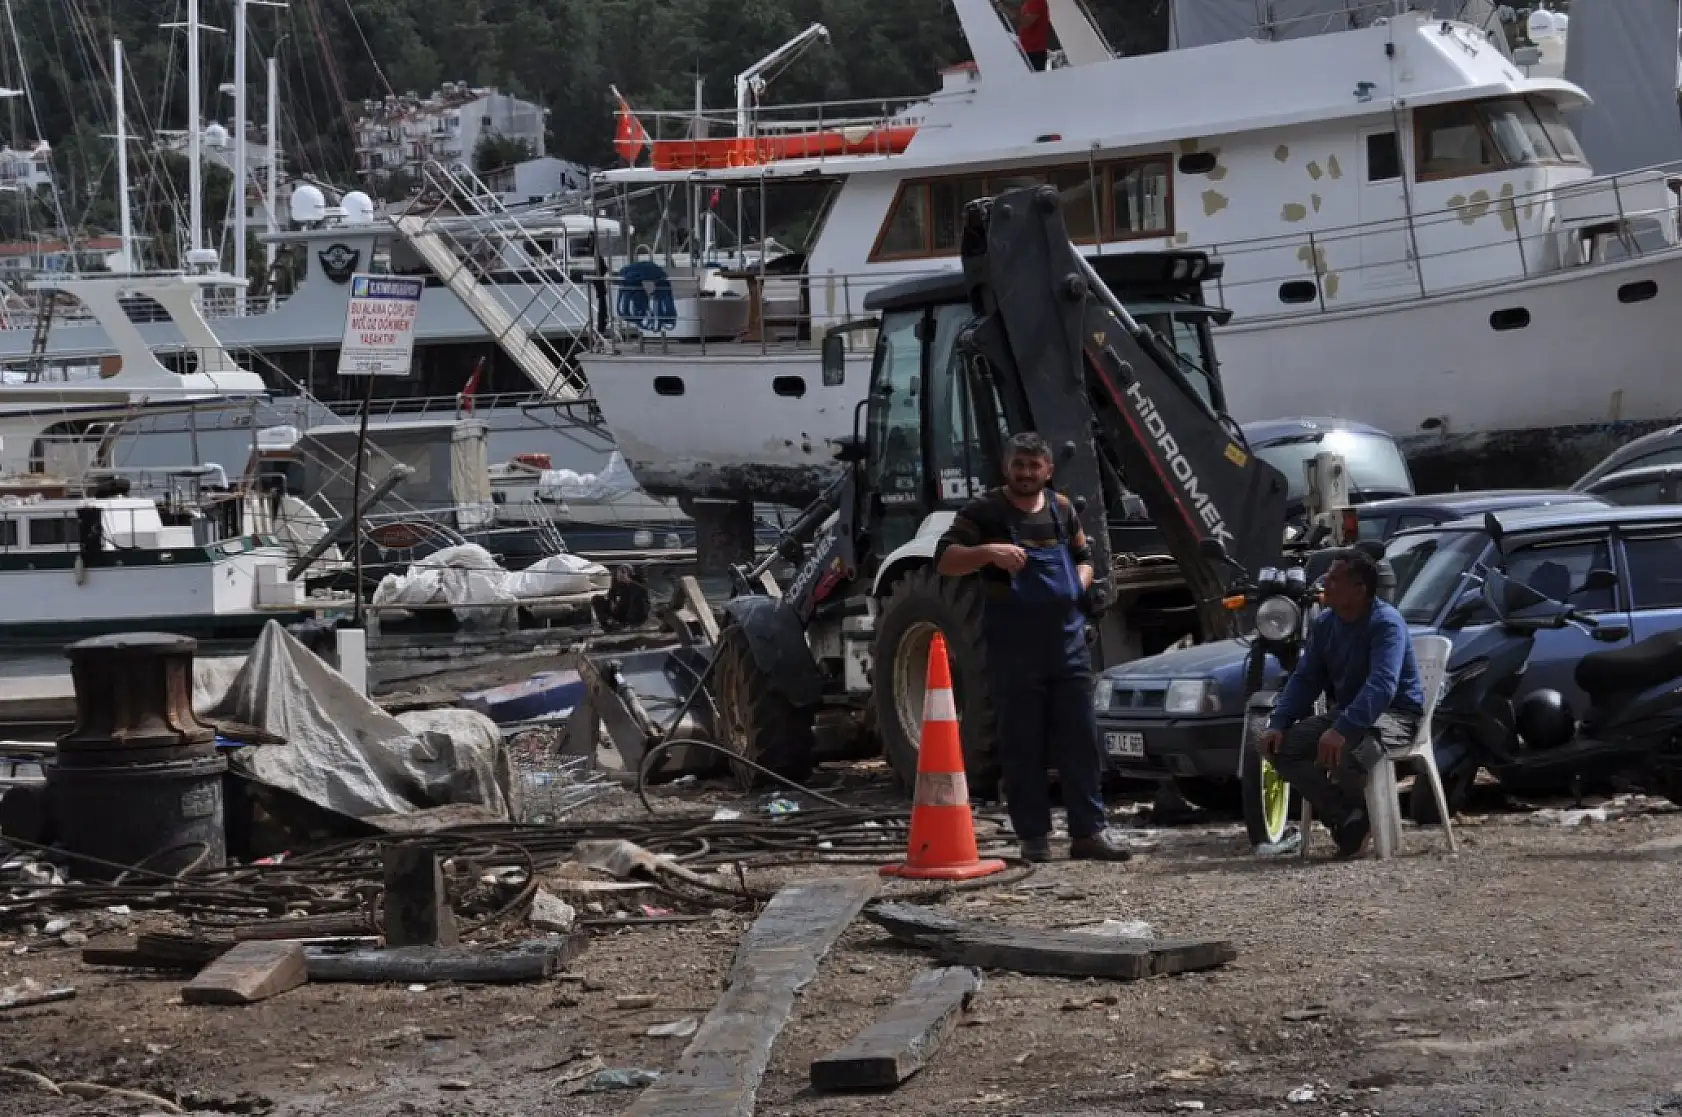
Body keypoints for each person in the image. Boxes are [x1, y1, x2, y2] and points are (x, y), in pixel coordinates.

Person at [934, 431, 1132, 863]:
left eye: (1033, 466)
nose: (1026, 473)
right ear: (1006, 467)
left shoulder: (1062, 509)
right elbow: (944, 560)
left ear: (1048, 469)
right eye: (1018, 465)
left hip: (1067, 643)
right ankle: (1034, 838)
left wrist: (1077, 585)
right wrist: (988, 552)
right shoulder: (985, 511)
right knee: (1023, 743)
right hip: (1014, 648)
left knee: (1080, 741)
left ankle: (1088, 833)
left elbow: (1085, 558)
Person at [1258, 549, 1426, 858]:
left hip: (1395, 715)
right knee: (1281, 749)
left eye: (1335, 580)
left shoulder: (1385, 624)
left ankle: (1357, 821)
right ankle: (1347, 818)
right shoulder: (1326, 623)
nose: (1325, 584)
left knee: (1349, 752)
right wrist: (1279, 722)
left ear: (1359, 589)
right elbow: (1306, 678)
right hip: (1348, 712)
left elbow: (1382, 687)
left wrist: (1342, 729)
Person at [592, 564, 651, 632]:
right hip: (621, 610)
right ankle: (608, 623)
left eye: (623, 572)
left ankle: (629, 624)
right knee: (596, 598)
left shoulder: (638, 580)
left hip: (635, 614)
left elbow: (643, 591)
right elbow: (611, 593)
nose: (619, 575)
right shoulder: (617, 583)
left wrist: (628, 581)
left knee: (636, 598)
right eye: (618, 573)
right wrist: (612, 601)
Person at [1017, 0, 1051, 71]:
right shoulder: (1028, 3)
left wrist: (1007, 9)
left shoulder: (1036, 2)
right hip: (1028, 49)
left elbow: (1027, 23)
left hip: (1034, 51)